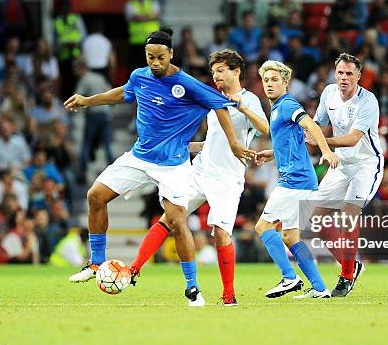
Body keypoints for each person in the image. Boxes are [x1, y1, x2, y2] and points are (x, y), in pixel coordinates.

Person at [63, 28, 254, 307]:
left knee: (177, 221)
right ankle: (96, 263)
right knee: (95, 196)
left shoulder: (188, 84)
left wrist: (235, 144)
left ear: (171, 54)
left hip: (173, 166)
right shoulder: (139, 76)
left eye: (160, 57)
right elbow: (123, 94)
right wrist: (88, 101)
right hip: (139, 157)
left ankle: (192, 288)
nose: (154, 62)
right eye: (150, 57)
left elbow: (220, 107)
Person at [128, 49, 268, 306]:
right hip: (200, 170)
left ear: (236, 71)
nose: (216, 76)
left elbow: (264, 128)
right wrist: (187, 146)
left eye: (221, 71)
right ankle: (133, 269)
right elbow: (212, 140)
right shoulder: (211, 99)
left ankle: (228, 295)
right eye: (213, 72)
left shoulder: (250, 100)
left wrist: (244, 109)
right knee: (171, 217)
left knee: (221, 232)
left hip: (227, 178)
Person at [254, 60, 339, 299]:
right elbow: (292, 141)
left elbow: (310, 124)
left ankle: (289, 278)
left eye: (274, 80)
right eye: (266, 80)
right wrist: (271, 154)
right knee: (290, 237)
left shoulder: (288, 104)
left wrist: (326, 151)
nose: (269, 84)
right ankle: (320, 288)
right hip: (301, 181)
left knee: (263, 227)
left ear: (286, 83)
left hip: (296, 181)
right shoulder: (277, 108)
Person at [305, 53, 384, 297]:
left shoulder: (367, 101)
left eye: (350, 74)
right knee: (316, 220)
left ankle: (346, 277)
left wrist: (321, 142)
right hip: (340, 164)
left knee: (349, 215)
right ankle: (352, 265)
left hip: (366, 164)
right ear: (335, 74)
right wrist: (303, 130)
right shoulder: (328, 93)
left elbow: (352, 139)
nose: (344, 78)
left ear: (358, 76)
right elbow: (317, 122)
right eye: (340, 73)